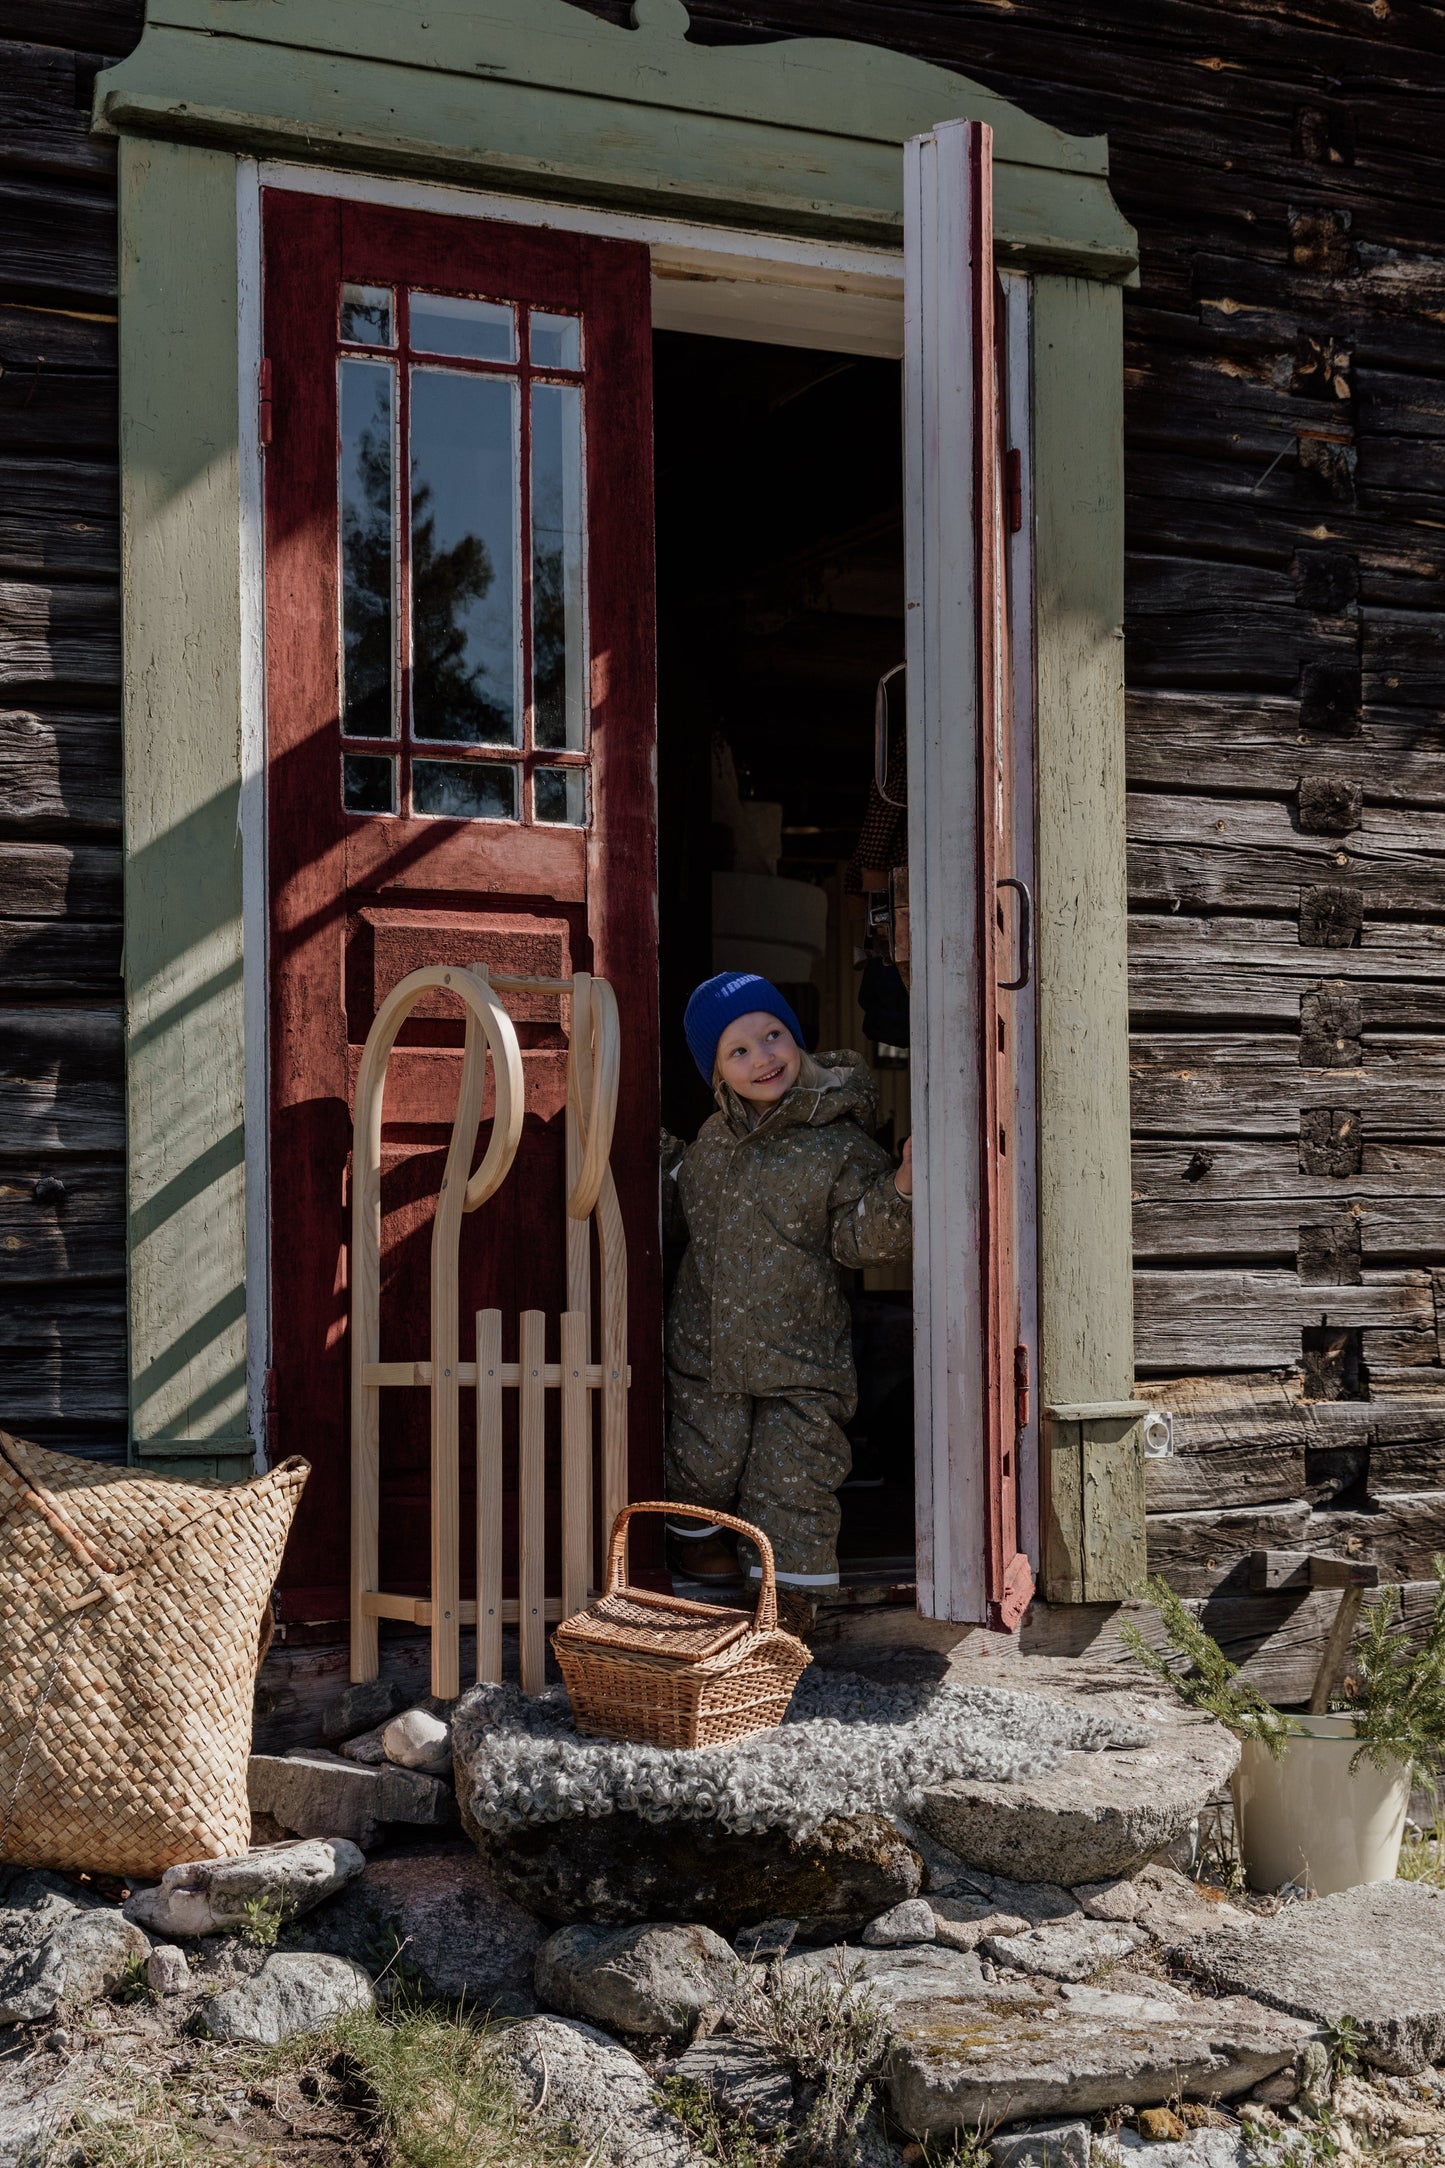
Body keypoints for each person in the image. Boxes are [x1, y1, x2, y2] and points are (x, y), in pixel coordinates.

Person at [661, 971, 914, 1635]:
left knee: (794, 1482)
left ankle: (784, 1620)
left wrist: (904, 1189)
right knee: (701, 1465)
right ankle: (695, 1540)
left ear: (796, 1038)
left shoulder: (839, 1142)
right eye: (736, 1050)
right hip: (706, 1345)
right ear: (713, 1070)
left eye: (771, 1035)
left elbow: (858, 1239)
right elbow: (680, 1208)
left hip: (801, 1354)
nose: (762, 1057)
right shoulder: (711, 1141)